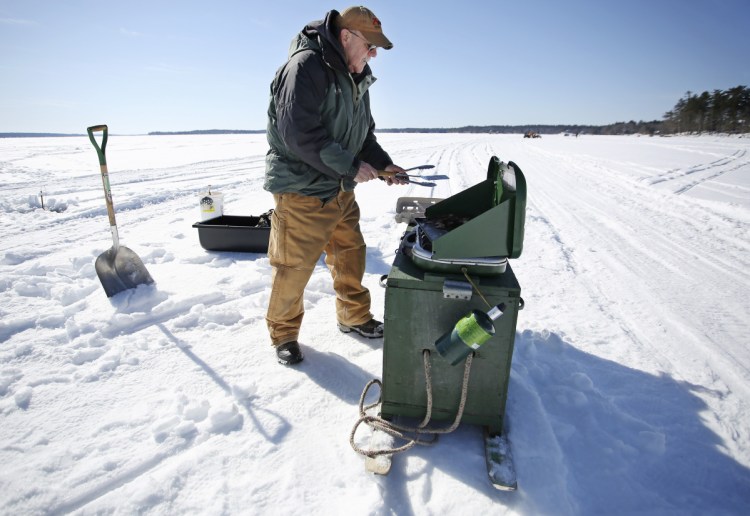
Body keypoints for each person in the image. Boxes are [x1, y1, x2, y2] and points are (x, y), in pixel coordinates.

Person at [264, 6, 407, 365]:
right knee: (294, 267)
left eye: (376, 49)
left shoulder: (357, 76)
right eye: (369, 46)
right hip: (303, 190)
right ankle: (283, 334)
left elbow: (362, 136)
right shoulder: (305, 67)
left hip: (340, 188)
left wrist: (383, 164)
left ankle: (353, 316)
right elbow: (298, 133)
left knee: (350, 254)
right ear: (346, 37)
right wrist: (351, 166)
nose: (373, 54)